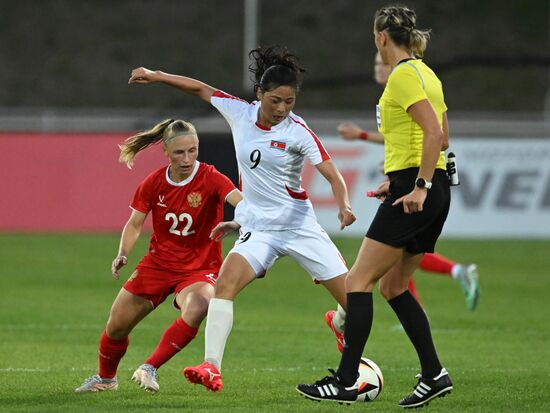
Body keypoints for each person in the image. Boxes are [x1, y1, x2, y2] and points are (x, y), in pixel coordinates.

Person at [128, 45, 356, 392]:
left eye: (289, 102)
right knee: (225, 285)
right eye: (275, 100)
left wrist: (344, 205)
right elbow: (200, 88)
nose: (281, 109)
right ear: (259, 94)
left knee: (356, 305)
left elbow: (333, 174)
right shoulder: (239, 113)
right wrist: (158, 76)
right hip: (258, 229)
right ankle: (211, 367)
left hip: (298, 227)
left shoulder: (298, 132)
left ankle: (338, 322)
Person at [297, 6, 453, 408]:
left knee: (357, 282)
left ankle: (346, 381)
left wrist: (416, 185)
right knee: (393, 286)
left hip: (418, 189)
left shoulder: (402, 76)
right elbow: (442, 137)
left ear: (381, 37)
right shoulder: (426, 73)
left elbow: (434, 133)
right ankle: (434, 375)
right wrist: (402, 178)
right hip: (429, 188)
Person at [75, 119, 242, 393]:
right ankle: (106, 379)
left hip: (199, 268)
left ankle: (149, 367)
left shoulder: (211, 177)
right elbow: (135, 222)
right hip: (158, 264)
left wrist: (239, 221)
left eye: (193, 150)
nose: (187, 158)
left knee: (200, 305)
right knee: (116, 326)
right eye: (180, 152)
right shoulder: (154, 182)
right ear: (166, 151)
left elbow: (239, 200)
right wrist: (123, 253)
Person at [335, 52, 480, 312]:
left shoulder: (405, 84)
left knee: (375, 265)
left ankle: (347, 322)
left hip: (417, 182)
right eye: (376, 65)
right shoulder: (407, 86)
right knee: (395, 266)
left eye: (382, 63)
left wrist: (414, 179)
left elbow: (433, 135)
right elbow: (420, 136)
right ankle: (422, 304)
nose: (379, 69)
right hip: (415, 179)